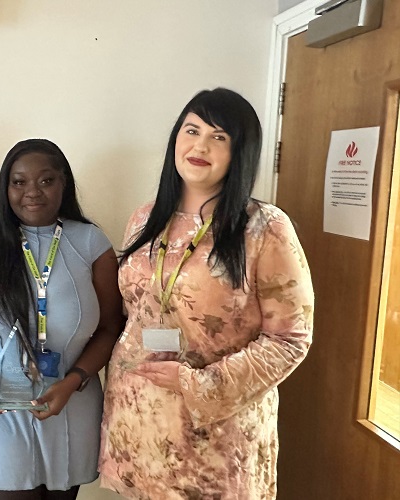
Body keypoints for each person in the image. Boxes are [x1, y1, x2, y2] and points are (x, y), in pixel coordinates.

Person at [98, 88, 314, 499]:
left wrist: (200, 384)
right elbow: (138, 312)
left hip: (215, 436)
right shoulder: (146, 217)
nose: (200, 145)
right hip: (139, 420)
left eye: (219, 137)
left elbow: (290, 339)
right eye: (191, 130)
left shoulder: (265, 228)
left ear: (240, 152)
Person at [0, 138, 123, 500]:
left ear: (64, 184)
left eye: (46, 181)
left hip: (71, 401)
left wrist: (75, 380)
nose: (32, 192)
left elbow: (110, 327)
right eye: (19, 182)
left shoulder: (91, 243)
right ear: (6, 187)